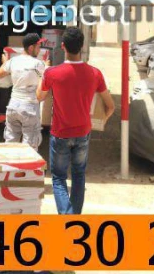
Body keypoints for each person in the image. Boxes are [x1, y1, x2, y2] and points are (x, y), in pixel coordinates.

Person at [36, 27, 115, 214]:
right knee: (79, 175)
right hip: (83, 133)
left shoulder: (52, 73)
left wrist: (44, 72)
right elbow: (110, 106)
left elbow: (39, 96)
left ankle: (67, 216)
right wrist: (101, 120)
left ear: (63, 46)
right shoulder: (95, 73)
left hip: (60, 133)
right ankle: (74, 217)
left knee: (58, 178)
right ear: (82, 46)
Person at [0, 33, 48, 151]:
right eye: (38, 46)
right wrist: (46, 67)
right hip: (29, 107)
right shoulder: (38, 64)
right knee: (29, 146)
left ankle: (9, 162)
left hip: (13, 106)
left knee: (10, 142)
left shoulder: (13, 61)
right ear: (31, 48)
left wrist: (5, 62)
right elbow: (46, 79)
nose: (39, 49)